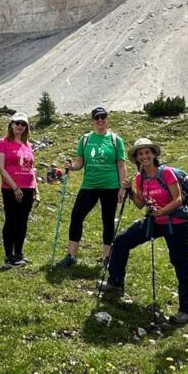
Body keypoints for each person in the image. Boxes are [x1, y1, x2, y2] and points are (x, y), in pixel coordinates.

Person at [99, 138, 188, 325]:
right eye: (140, 154)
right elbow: (140, 204)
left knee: (180, 263)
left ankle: (186, 310)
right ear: (136, 158)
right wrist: (129, 191)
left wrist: (162, 211)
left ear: (154, 154)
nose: (144, 156)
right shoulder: (139, 177)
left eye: (147, 152)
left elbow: (179, 200)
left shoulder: (166, 173)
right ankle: (116, 283)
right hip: (155, 220)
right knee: (121, 241)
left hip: (175, 223)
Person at [55, 106, 127, 268]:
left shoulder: (116, 140)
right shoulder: (86, 139)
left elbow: (121, 165)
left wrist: (122, 186)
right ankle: (71, 255)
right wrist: (71, 166)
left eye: (103, 117)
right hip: (89, 185)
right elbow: (80, 162)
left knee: (108, 221)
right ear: (93, 120)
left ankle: (107, 257)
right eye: (97, 118)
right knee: (76, 217)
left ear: (107, 119)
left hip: (111, 186)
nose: (100, 120)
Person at [0, 112, 40, 268]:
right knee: (11, 220)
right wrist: (14, 187)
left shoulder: (28, 145)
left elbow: (31, 169)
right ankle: (8, 256)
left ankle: (18, 253)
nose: (20, 126)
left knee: (22, 221)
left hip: (28, 187)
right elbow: (0, 167)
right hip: (10, 187)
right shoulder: (3, 142)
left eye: (23, 124)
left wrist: (36, 189)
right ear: (11, 125)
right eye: (17, 123)